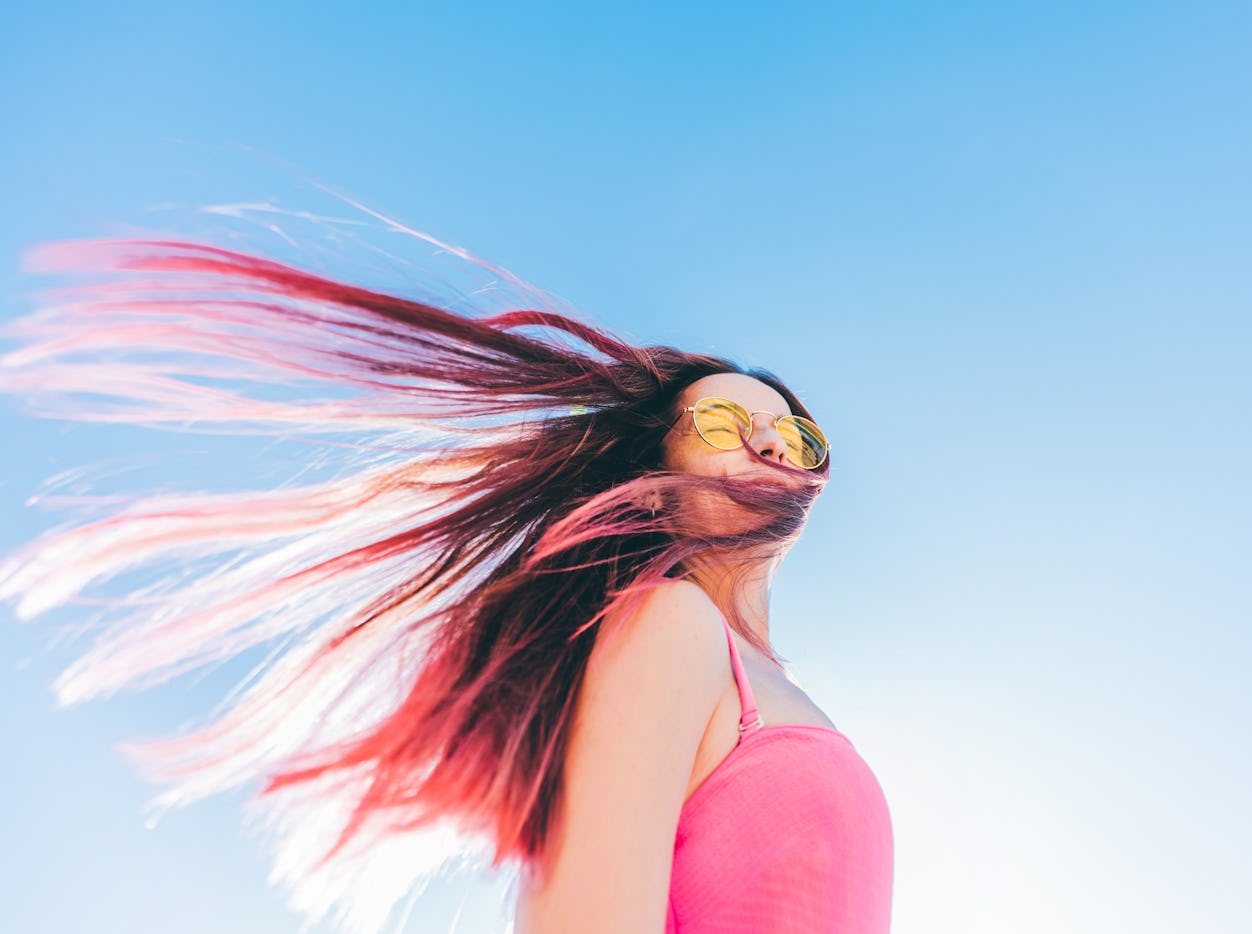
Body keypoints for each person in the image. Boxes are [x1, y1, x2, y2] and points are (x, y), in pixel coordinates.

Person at [0, 234, 893, 933]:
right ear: (655, 462)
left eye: (798, 435)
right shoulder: (672, 626)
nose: (773, 442)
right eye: (728, 418)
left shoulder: (780, 691)